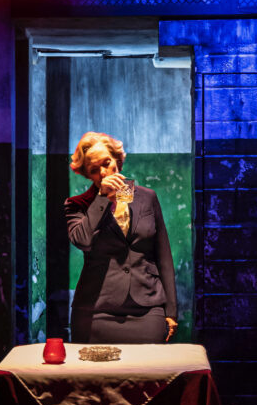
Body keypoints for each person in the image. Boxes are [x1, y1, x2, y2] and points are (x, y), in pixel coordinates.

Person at [65, 131, 178, 345]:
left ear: (117, 159)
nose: (103, 172)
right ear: (88, 175)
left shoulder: (147, 198)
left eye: (106, 163)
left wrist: (171, 310)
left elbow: (163, 256)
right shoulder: (77, 205)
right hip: (96, 312)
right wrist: (102, 198)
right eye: (94, 170)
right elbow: (82, 240)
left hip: (147, 309)